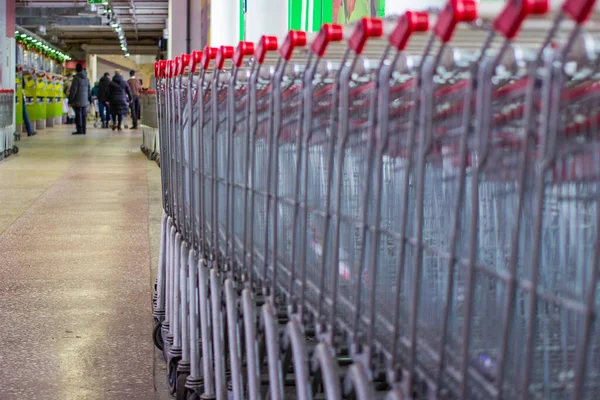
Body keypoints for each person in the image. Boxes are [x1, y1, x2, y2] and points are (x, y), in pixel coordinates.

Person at [68, 63, 91, 135]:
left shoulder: (76, 78)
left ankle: (79, 130)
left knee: (78, 115)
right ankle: (84, 129)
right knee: (84, 115)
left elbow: (73, 90)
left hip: (77, 99)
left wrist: (70, 100)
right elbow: (89, 90)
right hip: (84, 100)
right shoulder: (87, 79)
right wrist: (89, 99)